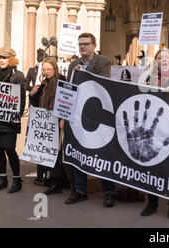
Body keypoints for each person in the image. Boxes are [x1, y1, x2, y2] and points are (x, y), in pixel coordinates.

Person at [64, 33, 116, 207]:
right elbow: (69, 90)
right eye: (80, 44)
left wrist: (84, 74)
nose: (83, 47)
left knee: (101, 154)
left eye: (86, 44)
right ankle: (80, 191)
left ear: (94, 45)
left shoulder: (103, 62)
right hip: (78, 116)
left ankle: (108, 192)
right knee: (78, 152)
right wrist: (65, 115)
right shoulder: (73, 65)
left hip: (98, 116)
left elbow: (103, 84)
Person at [140, 48, 169, 220]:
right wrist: (143, 89)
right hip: (152, 129)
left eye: (166, 57)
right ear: (156, 61)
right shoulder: (147, 78)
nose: (163, 60)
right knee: (151, 166)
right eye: (160, 58)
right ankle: (151, 203)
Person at [0, 47, 26, 193]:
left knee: (9, 149)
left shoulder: (19, 76)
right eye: (0, 57)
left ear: (12, 59)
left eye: (5, 57)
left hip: (10, 120)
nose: (1, 60)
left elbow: (21, 99)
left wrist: (17, 116)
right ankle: (2, 179)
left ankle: (16, 179)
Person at [29, 58, 67, 195]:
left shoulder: (62, 81)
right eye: (44, 70)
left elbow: (67, 101)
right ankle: (51, 180)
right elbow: (36, 103)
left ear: (55, 69)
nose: (46, 72)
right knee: (48, 153)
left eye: (49, 69)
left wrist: (64, 118)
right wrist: (32, 94)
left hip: (57, 122)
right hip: (45, 123)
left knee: (56, 154)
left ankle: (56, 182)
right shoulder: (44, 83)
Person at [27, 48, 48, 187]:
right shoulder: (32, 71)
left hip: (50, 119)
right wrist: (32, 91)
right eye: (43, 69)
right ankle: (40, 175)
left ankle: (50, 176)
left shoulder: (57, 82)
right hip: (38, 116)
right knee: (39, 146)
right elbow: (27, 85)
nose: (45, 71)